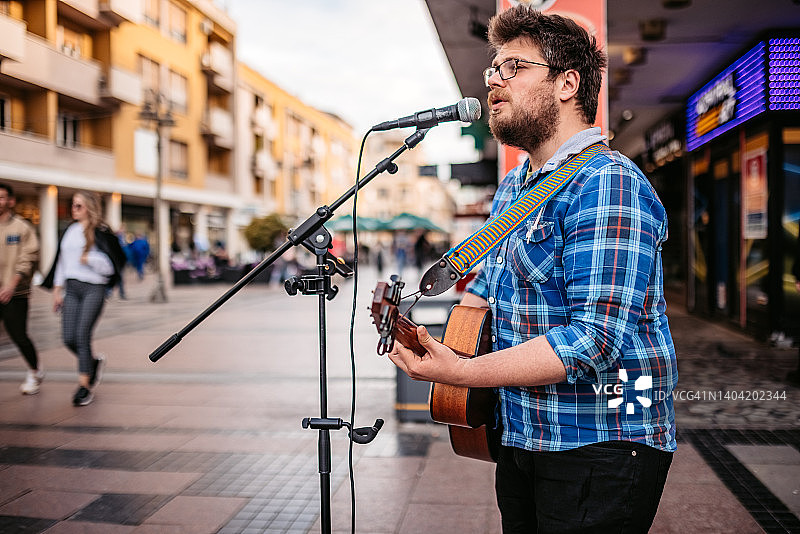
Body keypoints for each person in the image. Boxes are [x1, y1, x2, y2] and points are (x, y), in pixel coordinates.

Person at [388, 7, 677, 533]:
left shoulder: (607, 183)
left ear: (567, 83)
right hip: (524, 437)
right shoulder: (515, 187)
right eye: (492, 69)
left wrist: (463, 373)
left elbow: (594, 339)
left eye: (514, 67)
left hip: (600, 444)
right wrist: (428, 339)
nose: (495, 80)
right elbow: (489, 299)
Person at [42, 191, 126, 406]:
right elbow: (61, 263)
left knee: (82, 335)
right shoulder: (69, 231)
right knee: (68, 337)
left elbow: (111, 266)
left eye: (78, 206)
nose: (73, 209)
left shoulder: (100, 231)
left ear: (89, 207)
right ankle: (92, 363)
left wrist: (91, 258)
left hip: (93, 288)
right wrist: (56, 291)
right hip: (72, 288)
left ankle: (84, 387)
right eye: (73, 205)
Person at [0, 183, 44, 395]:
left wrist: (11, 284)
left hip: (15, 293)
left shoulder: (22, 228)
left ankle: (35, 372)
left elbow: (28, 258)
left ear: (10, 201)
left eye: (1, 197)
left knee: (18, 335)